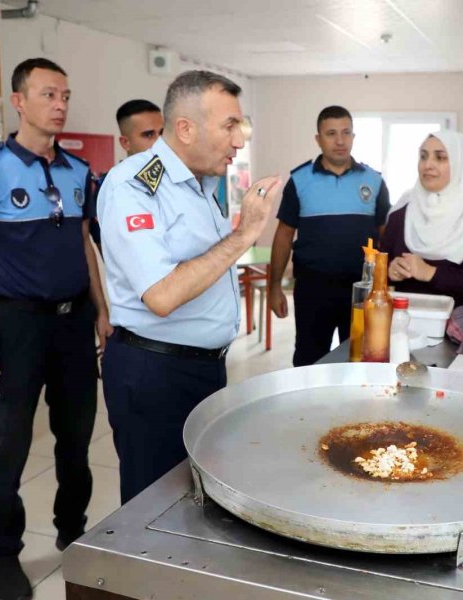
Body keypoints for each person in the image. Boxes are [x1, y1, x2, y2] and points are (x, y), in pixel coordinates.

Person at [0, 57, 111, 600]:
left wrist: (102, 309)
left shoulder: (76, 172)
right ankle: (5, 556)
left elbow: (85, 243)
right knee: (10, 448)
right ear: (19, 101)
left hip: (73, 327)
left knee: (76, 442)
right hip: (17, 326)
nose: (60, 104)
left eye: (65, 94)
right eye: (48, 94)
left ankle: (73, 533)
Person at [97, 70, 281, 504]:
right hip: (154, 371)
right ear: (185, 128)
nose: (239, 141)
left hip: (202, 366)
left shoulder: (202, 183)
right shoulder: (133, 187)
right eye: (229, 126)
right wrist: (243, 235)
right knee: (153, 504)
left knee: (196, 495)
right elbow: (161, 295)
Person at [268, 105, 390, 366]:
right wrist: (274, 286)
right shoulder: (299, 181)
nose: (340, 140)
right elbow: (283, 236)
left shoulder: (374, 181)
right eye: (331, 133)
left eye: (346, 132)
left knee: (361, 360)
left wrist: (385, 285)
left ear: (354, 137)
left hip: (362, 291)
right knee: (309, 361)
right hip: (313, 290)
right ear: (318, 139)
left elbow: (386, 237)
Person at [380, 130, 463, 305]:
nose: (427, 165)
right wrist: (389, 271)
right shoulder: (403, 209)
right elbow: (379, 263)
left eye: (440, 157)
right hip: (403, 320)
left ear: (460, 164)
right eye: (423, 156)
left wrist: (430, 273)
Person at [90, 99, 164, 252]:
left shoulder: (180, 178)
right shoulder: (110, 187)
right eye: (148, 135)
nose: (159, 142)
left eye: (162, 133)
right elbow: (109, 252)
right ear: (125, 143)